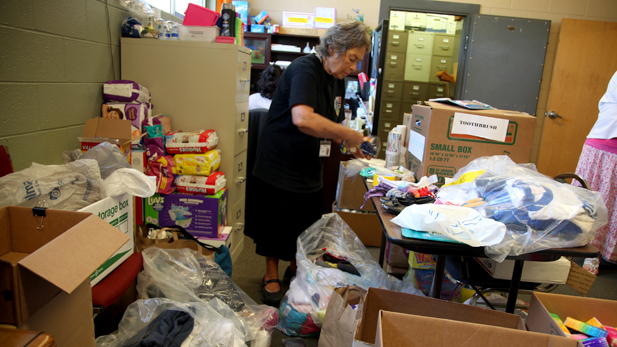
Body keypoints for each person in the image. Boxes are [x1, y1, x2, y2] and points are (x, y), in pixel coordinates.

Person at [248, 20, 371, 306]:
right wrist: (348, 134)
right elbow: (302, 118)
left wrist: (350, 144)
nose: (353, 67)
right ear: (332, 48)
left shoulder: (337, 78)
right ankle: (270, 273)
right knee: (276, 223)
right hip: (280, 159)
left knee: (305, 223)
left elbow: (331, 122)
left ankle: (297, 266)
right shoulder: (305, 69)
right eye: (351, 58)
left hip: (309, 161)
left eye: (357, 61)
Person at [574, 71, 617, 275]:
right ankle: (591, 256)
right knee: (597, 203)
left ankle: (597, 256)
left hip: (602, 144)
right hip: (606, 145)